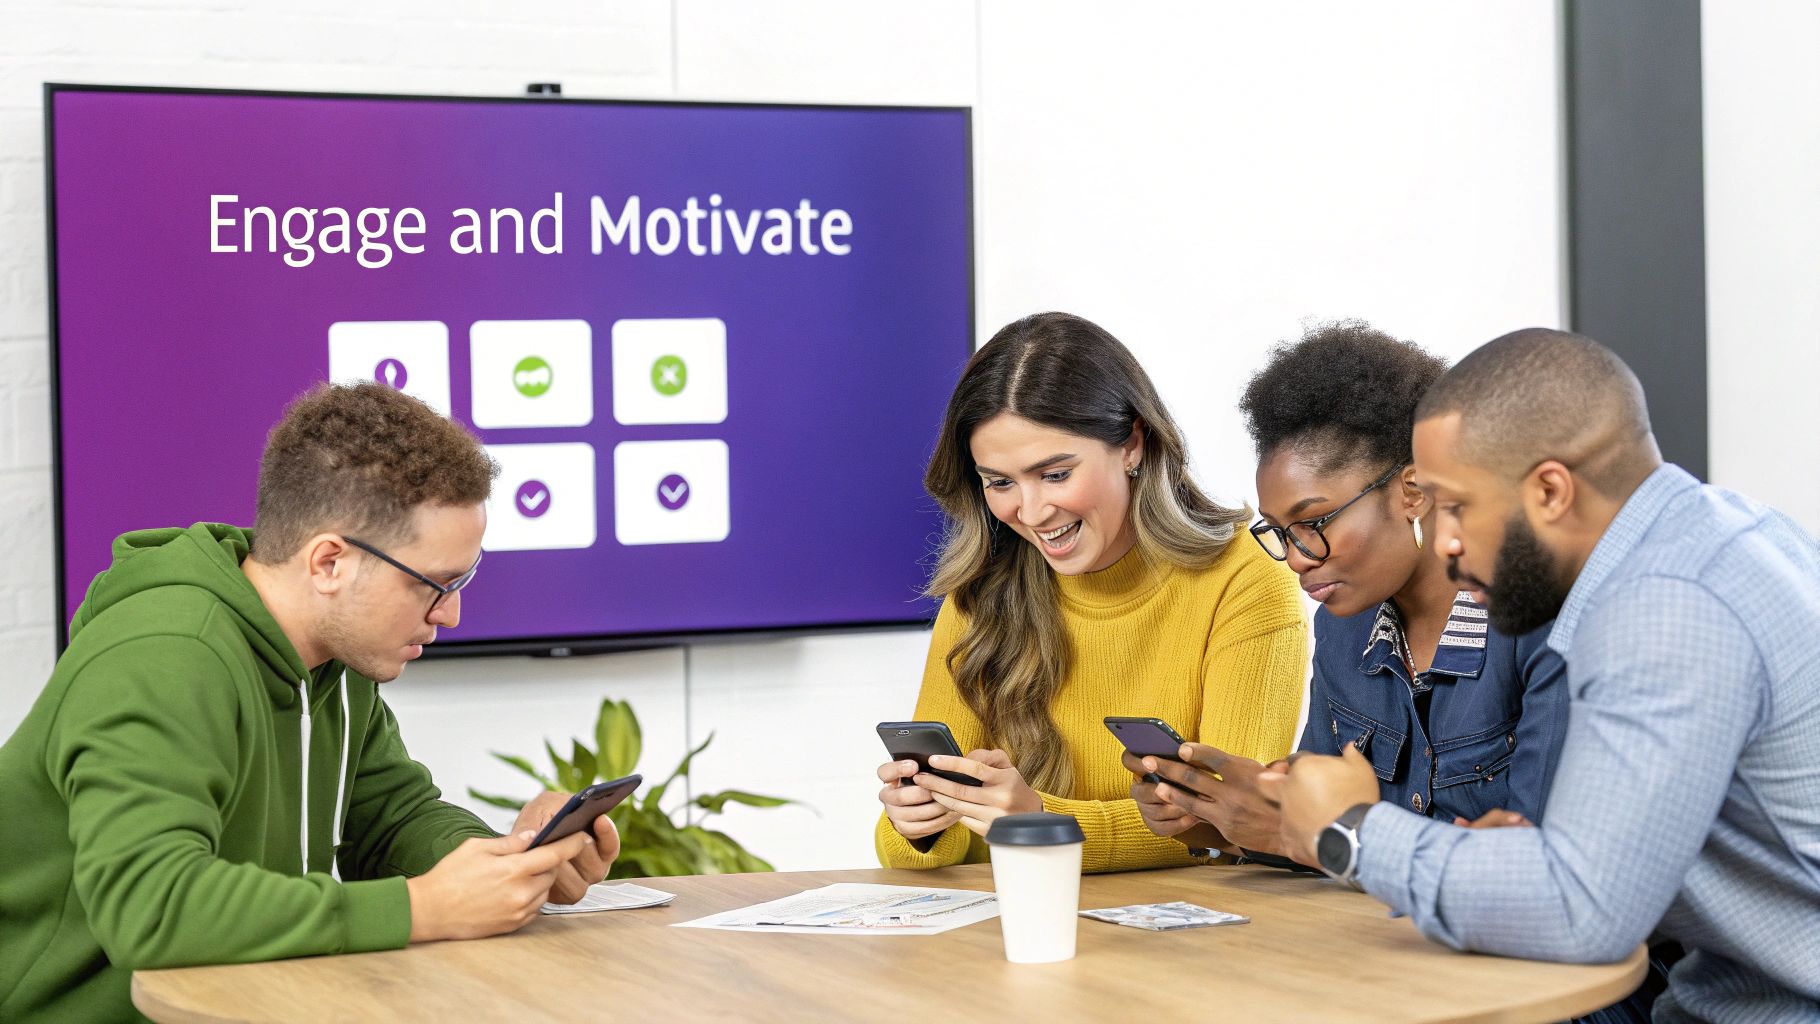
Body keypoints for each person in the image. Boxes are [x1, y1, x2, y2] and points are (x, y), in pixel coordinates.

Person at [0, 382, 618, 1022]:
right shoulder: (163, 656)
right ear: (329, 563)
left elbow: (391, 820)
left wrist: (513, 862)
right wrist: (424, 908)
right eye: (434, 584)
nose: (451, 613)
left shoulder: (335, 658)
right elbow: (151, 907)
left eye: (465, 577)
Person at [1267, 329, 1820, 1023]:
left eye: (1457, 506)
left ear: (1551, 491)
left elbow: (1580, 912)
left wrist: (1350, 829)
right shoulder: (1730, 534)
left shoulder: (1666, 607)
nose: (1445, 542)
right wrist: (1512, 864)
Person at [874, 311, 1308, 872]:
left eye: (1055, 475)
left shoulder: (1244, 580)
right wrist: (918, 823)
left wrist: (1043, 823)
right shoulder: (982, 589)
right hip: (1009, 911)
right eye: (1000, 482)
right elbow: (915, 854)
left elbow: (1235, 820)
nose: (1031, 512)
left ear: (1132, 444)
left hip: (1180, 919)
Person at [1125, 322, 1570, 861]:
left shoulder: (1540, 623)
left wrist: (1317, 835)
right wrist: (1218, 820)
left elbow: (1536, 867)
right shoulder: (1344, 629)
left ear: (1413, 491)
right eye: (1280, 532)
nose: (1297, 557)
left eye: (1314, 522)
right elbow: (1317, 835)